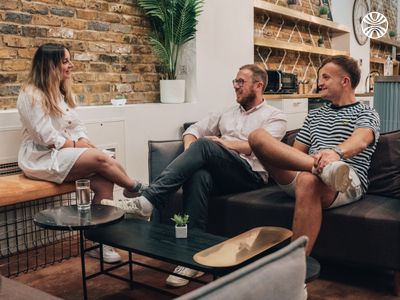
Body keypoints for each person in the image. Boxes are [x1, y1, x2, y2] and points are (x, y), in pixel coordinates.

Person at [102, 64, 287, 287]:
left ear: (258, 86)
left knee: (207, 146)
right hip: (224, 174)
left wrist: (221, 145)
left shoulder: (275, 116)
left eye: (241, 82)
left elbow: (262, 148)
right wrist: (193, 154)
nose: (235, 87)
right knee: (198, 173)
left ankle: (148, 200)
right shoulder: (226, 112)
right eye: (234, 82)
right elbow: (192, 131)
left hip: (252, 176)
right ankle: (193, 258)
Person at [17, 43, 145, 263]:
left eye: (69, 60)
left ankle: (99, 242)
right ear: (50, 64)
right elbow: (46, 137)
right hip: (42, 157)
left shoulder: (61, 91)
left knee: (104, 179)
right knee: (100, 158)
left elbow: (78, 127)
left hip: (64, 152)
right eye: (65, 61)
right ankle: (136, 189)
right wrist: (83, 148)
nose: (71, 65)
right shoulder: (30, 94)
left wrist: (86, 143)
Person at [248, 55, 380, 256]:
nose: (319, 83)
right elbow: (295, 154)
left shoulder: (366, 113)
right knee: (257, 136)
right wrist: (318, 163)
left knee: (309, 181)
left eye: (325, 77)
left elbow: (361, 140)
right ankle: (321, 168)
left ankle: (295, 268)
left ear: (345, 81)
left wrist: (335, 153)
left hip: (345, 181)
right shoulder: (315, 115)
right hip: (308, 170)